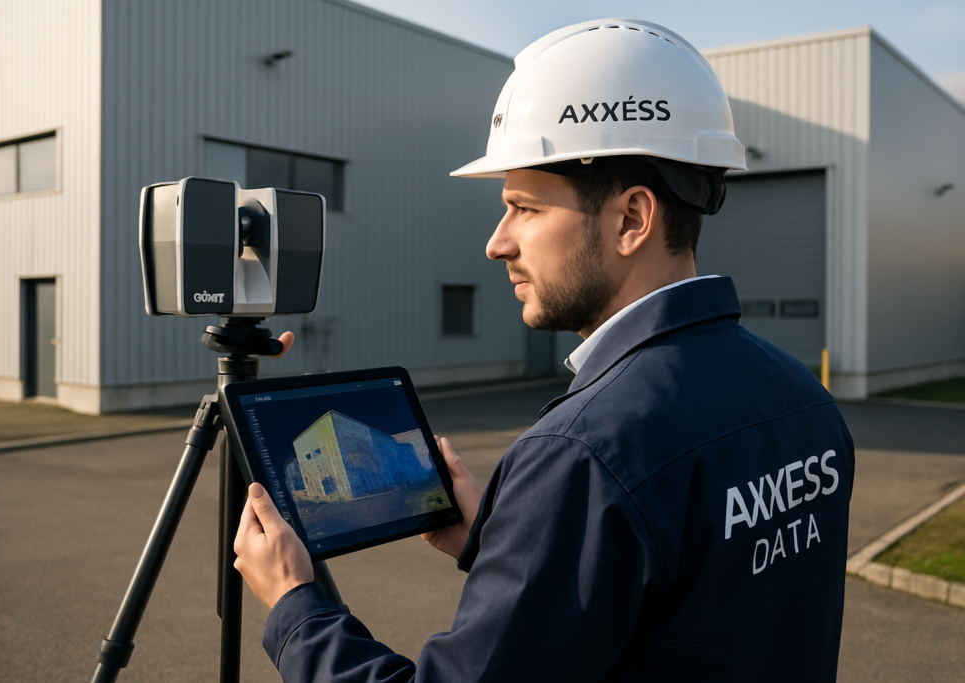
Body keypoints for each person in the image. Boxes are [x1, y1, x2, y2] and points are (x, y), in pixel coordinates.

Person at [234, 18, 854, 682]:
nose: (498, 242)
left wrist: (297, 609)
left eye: (525, 208)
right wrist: (513, 541)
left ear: (631, 219)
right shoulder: (805, 401)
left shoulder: (582, 456)